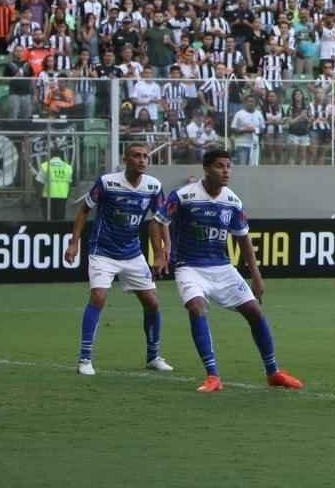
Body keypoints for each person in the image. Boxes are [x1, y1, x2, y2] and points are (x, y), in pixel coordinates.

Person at [152, 149, 303, 393]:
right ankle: (213, 375)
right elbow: (157, 222)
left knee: (255, 311)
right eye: (220, 166)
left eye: (229, 167)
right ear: (206, 168)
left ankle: (273, 372)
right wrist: (160, 253)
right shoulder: (184, 196)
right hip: (189, 267)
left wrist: (256, 275)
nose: (226, 171)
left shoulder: (232, 201)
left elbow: (243, 239)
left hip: (222, 267)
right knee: (197, 307)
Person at [64, 142, 172, 376]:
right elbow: (84, 210)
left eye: (145, 156)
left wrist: (162, 252)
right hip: (102, 251)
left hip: (132, 253)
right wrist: (75, 242)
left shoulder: (153, 186)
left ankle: (153, 356)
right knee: (98, 297)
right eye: (136, 156)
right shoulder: (107, 183)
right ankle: (85, 358)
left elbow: (160, 220)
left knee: (152, 302)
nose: (142, 160)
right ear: (126, 159)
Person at [38, 149, 73, 221]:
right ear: (60, 156)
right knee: (60, 219)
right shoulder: (68, 167)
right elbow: (69, 184)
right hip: (62, 196)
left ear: (50, 155)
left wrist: (39, 197)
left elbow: (39, 183)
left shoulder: (45, 166)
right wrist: (68, 196)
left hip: (47, 196)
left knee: (48, 219)